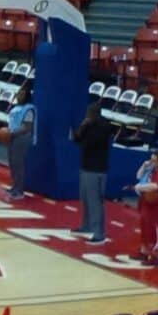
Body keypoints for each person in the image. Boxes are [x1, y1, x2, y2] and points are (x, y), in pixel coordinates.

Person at [71, 101, 114, 245]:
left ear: (95, 113)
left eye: (90, 113)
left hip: (96, 169)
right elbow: (76, 139)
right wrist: (83, 126)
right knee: (85, 198)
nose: (87, 115)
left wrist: (84, 129)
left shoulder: (103, 127)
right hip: (86, 166)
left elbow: (87, 143)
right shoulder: (88, 125)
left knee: (95, 202)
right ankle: (86, 225)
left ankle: (99, 234)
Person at [131, 149, 158, 267]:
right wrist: (144, 165)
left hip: (157, 207)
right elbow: (138, 175)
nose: (151, 162)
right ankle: (144, 252)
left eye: (154, 160)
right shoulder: (153, 170)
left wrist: (140, 187)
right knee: (145, 229)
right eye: (151, 159)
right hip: (146, 204)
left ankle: (155, 257)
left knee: (157, 232)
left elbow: (155, 186)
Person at [5, 85, 37, 200]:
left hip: (21, 138)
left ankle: (19, 191)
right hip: (12, 136)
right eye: (19, 93)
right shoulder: (16, 107)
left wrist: (12, 133)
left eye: (22, 94)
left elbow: (27, 127)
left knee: (18, 163)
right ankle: (14, 186)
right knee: (12, 162)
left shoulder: (28, 109)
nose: (19, 95)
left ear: (27, 96)